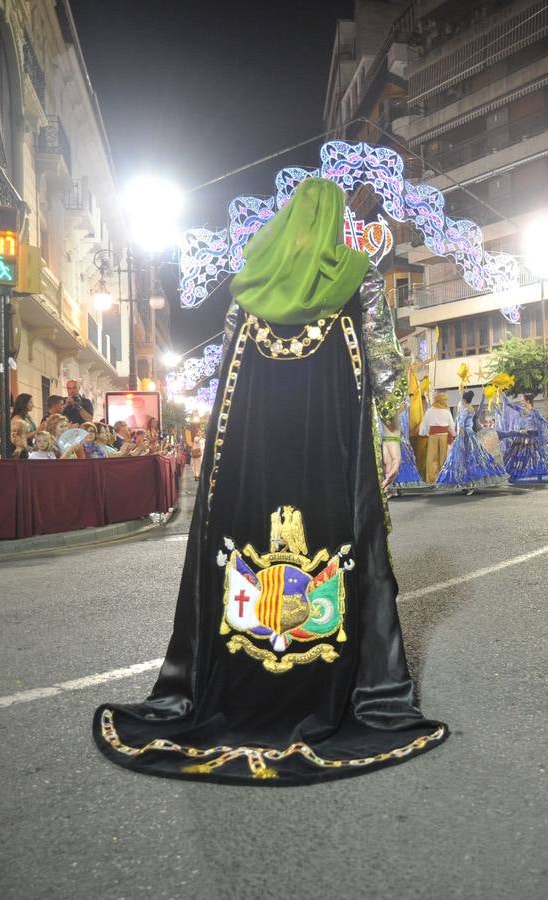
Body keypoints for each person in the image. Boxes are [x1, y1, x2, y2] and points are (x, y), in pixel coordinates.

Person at [92, 177, 446, 784]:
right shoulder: (355, 276)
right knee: (347, 547)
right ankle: (346, 684)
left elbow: (228, 381)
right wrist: (388, 437)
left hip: (253, 462)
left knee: (244, 551)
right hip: (329, 454)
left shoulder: (250, 286)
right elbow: (384, 365)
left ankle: (237, 680)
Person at [435, 390, 507, 494]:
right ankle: (471, 483)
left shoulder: (465, 410)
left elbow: (461, 424)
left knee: (463, 460)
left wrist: (459, 438)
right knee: (474, 459)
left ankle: (469, 484)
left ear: (464, 400)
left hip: (465, 436)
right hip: (470, 435)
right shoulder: (471, 408)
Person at [497, 393, 548, 484]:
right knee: (518, 457)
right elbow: (510, 405)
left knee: (534, 457)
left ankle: (534, 473)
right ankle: (519, 473)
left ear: (528, 401)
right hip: (521, 437)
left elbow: (544, 423)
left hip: (531, 438)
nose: (521, 402)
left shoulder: (535, 413)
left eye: (522, 400)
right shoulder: (520, 410)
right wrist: (502, 393)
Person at [418, 391, 455, 483]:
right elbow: (451, 426)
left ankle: (432, 480)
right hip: (444, 437)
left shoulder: (430, 411)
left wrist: (425, 433)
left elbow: (425, 426)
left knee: (432, 459)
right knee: (444, 457)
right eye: (445, 399)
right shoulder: (446, 412)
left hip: (433, 437)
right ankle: (444, 479)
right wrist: (454, 435)